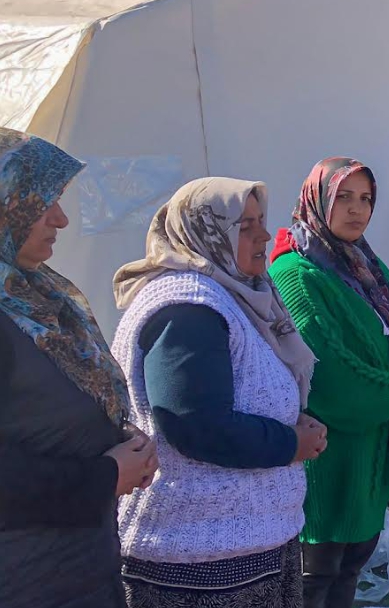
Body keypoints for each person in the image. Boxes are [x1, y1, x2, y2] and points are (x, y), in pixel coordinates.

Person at [112, 177, 324, 607]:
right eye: (245, 226)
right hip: (196, 558)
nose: (264, 235)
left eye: (261, 221)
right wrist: (289, 442)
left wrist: (289, 417)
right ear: (206, 233)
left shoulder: (235, 294)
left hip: (243, 541)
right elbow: (195, 425)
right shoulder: (187, 308)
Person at [269, 157, 389, 608]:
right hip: (328, 461)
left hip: (369, 452)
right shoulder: (295, 275)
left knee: (348, 573)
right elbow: (329, 375)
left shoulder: (365, 266)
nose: (356, 209)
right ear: (317, 199)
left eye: (365, 199)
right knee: (315, 580)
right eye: (343, 196)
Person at [0, 128, 157, 608]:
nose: (62, 219)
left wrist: (115, 433)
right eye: (42, 200)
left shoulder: (36, 295)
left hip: (83, 567)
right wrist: (105, 476)